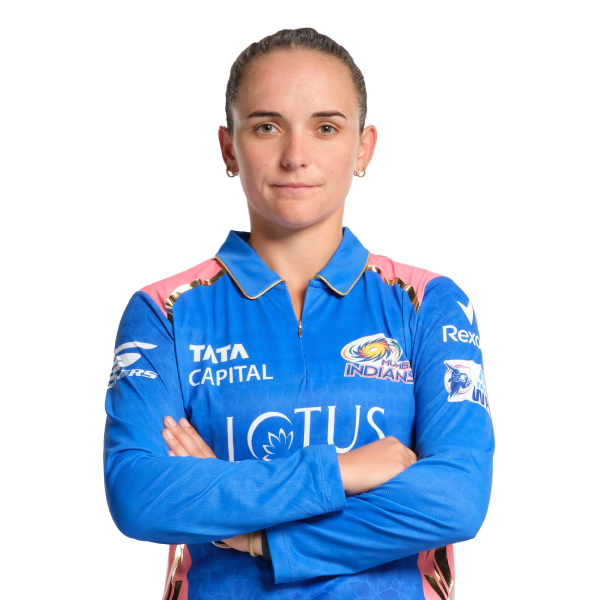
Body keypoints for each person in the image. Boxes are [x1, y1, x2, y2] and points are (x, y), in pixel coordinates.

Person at [103, 27, 494, 600]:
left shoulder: (429, 303)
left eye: (326, 127)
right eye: (267, 126)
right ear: (228, 148)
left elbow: (455, 500)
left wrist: (256, 535)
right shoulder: (164, 311)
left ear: (364, 147)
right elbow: (140, 496)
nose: (295, 157)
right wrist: (341, 471)